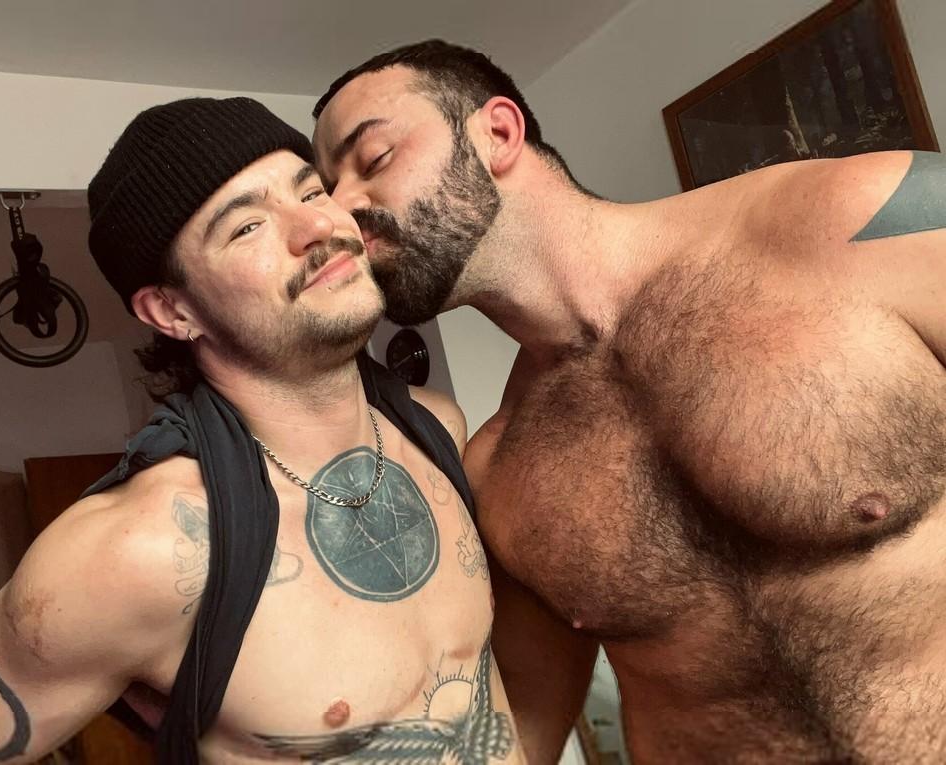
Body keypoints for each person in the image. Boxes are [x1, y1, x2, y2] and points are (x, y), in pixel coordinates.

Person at [312, 40, 946, 763]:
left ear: (498, 133)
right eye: (326, 189)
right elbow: (521, 734)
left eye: (373, 158)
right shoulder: (498, 468)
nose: (341, 212)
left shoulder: (858, 220)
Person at [0, 98, 526, 764]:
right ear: (173, 310)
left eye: (310, 190)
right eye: (247, 226)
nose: (315, 225)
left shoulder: (437, 428)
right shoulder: (138, 551)